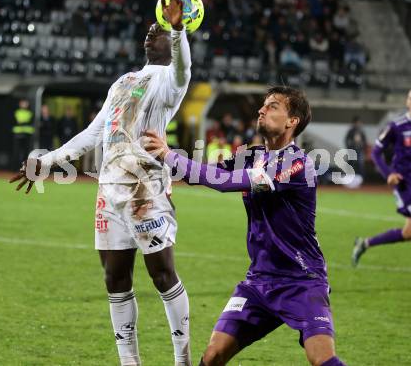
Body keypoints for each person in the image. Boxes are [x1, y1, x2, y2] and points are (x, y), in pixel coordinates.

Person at [10, 0, 192, 366]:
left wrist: (177, 30)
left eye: (157, 30)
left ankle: (182, 359)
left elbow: (183, 67)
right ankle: (130, 361)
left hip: (145, 190)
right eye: (151, 29)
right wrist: (47, 161)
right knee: (115, 279)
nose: (151, 32)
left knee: (162, 275)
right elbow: (93, 134)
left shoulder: (170, 83)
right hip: (108, 190)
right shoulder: (124, 81)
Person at [144, 86, 347, 366]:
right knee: (213, 355)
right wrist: (162, 165)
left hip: (302, 281)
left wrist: (169, 155)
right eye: (263, 105)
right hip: (258, 282)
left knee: (322, 359)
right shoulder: (252, 155)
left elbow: (226, 182)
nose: (262, 110)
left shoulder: (296, 164)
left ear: (292, 121)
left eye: (273, 106)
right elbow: (207, 173)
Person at [352, 90, 411, 266]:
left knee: (408, 233)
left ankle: (364, 243)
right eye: (410, 97)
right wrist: (389, 174)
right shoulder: (397, 126)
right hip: (405, 184)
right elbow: (376, 152)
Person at [12, 99, 34, 170]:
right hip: (18, 134)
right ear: (20, 104)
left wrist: (21, 123)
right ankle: (15, 168)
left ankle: (25, 168)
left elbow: (29, 123)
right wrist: (23, 123)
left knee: (26, 152)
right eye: (23, 103)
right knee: (17, 152)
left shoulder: (30, 113)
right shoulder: (16, 112)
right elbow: (15, 122)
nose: (24, 105)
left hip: (27, 134)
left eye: (25, 103)